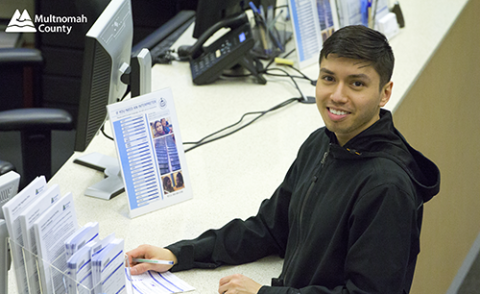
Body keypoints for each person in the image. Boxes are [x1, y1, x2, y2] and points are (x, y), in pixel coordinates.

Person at [126, 25, 440, 294]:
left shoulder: (387, 188)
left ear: (385, 93)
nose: (338, 95)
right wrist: (179, 254)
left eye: (357, 83)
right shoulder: (322, 143)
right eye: (328, 78)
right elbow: (270, 229)